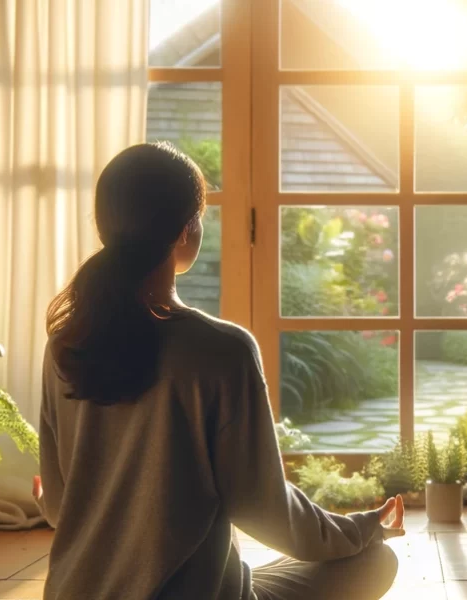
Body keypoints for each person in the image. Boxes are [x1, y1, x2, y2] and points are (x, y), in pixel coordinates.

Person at [36, 142, 403, 600]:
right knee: (375, 559)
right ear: (186, 230)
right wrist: (362, 528)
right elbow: (266, 511)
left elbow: (55, 506)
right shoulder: (222, 350)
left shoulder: (64, 345)